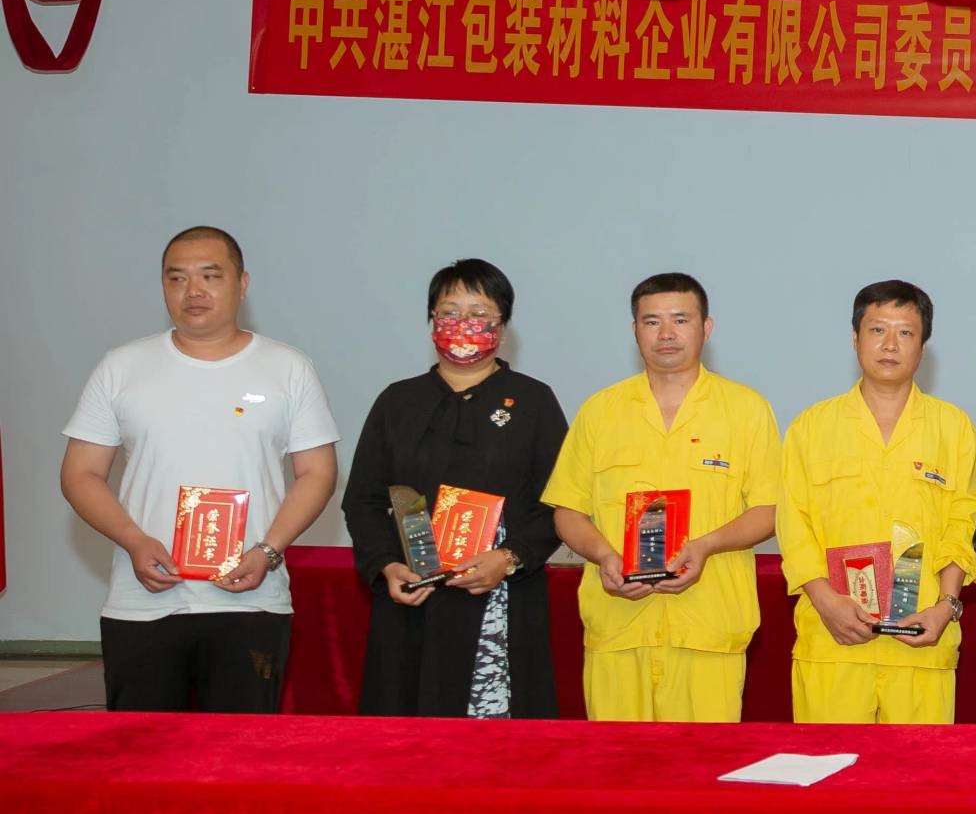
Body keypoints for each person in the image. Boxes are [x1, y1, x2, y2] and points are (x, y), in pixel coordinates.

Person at [60, 226, 339, 712]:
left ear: (242, 284)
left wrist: (269, 550)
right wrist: (134, 540)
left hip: (251, 599)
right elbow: (80, 474)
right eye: (177, 278)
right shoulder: (122, 367)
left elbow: (317, 472)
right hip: (143, 599)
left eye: (211, 276)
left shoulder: (287, 367)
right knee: (141, 749)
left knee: (241, 750)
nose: (193, 291)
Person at [542, 272, 779, 722]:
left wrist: (705, 546)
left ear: (706, 328)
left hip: (708, 625)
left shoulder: (747, 409)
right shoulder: (600, 411)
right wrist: (604, 555)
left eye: (680, 320)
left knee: (703, 763)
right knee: (617, 764)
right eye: (651, 321)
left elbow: (768, 511)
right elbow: (568, 510)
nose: (666, 333)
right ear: (635, 331)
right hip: (618, 622)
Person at [342, 259, 570, 718]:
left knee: (496, 740)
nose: (463, 324)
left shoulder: (533, 400)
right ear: (431, 320)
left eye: (478, 312)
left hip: (500, 597)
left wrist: (509, 558)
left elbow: (560, 504)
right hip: (414, 597)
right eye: (449, 311)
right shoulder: (397, 400)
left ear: (502, 326)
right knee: (408, 733)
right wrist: (386, 566)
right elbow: (363, 500)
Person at [777, 280, 976, 725]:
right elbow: (793, 525)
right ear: (855, 339)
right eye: (877, 330)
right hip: (833, 639)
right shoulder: (811, 428)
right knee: (831, 768)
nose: (890, 344)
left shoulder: (954, 429)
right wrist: (825, 601)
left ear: (923, 348)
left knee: (919, 770)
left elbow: (962, 523)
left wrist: (946, 606)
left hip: (921, 640)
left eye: (905, 333)